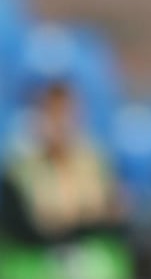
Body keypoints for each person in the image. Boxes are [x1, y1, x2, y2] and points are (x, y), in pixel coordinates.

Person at [0, 81, 131, 279]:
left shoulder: (93, 159)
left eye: (66, 113)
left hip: (88, 255)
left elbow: (114, 215)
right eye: (52, 113)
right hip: (38, 258)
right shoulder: (20, 166)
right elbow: (32, 226)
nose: (60, 122)